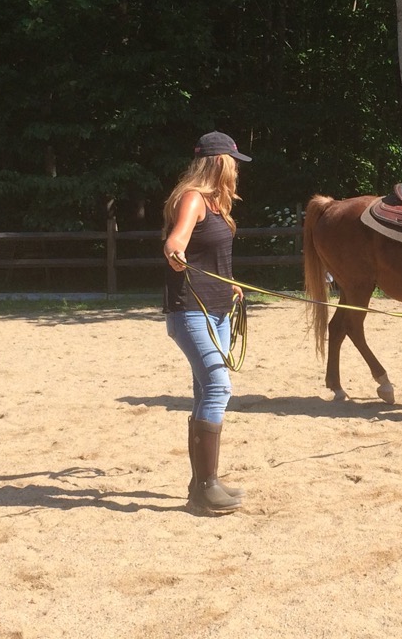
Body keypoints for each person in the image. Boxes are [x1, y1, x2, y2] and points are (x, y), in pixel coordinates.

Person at [163, 131, 252, 515]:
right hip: (190, 310)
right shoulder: (193, 200)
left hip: (217, 310)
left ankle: (201, 484)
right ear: (219, 162)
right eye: (233, 162)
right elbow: (176, 242)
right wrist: (175, 253)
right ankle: (205, 486)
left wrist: (232, 287)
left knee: (205, 392)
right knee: (219, 387)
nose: (236, 170)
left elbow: (214, 257)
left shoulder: (218, 205)